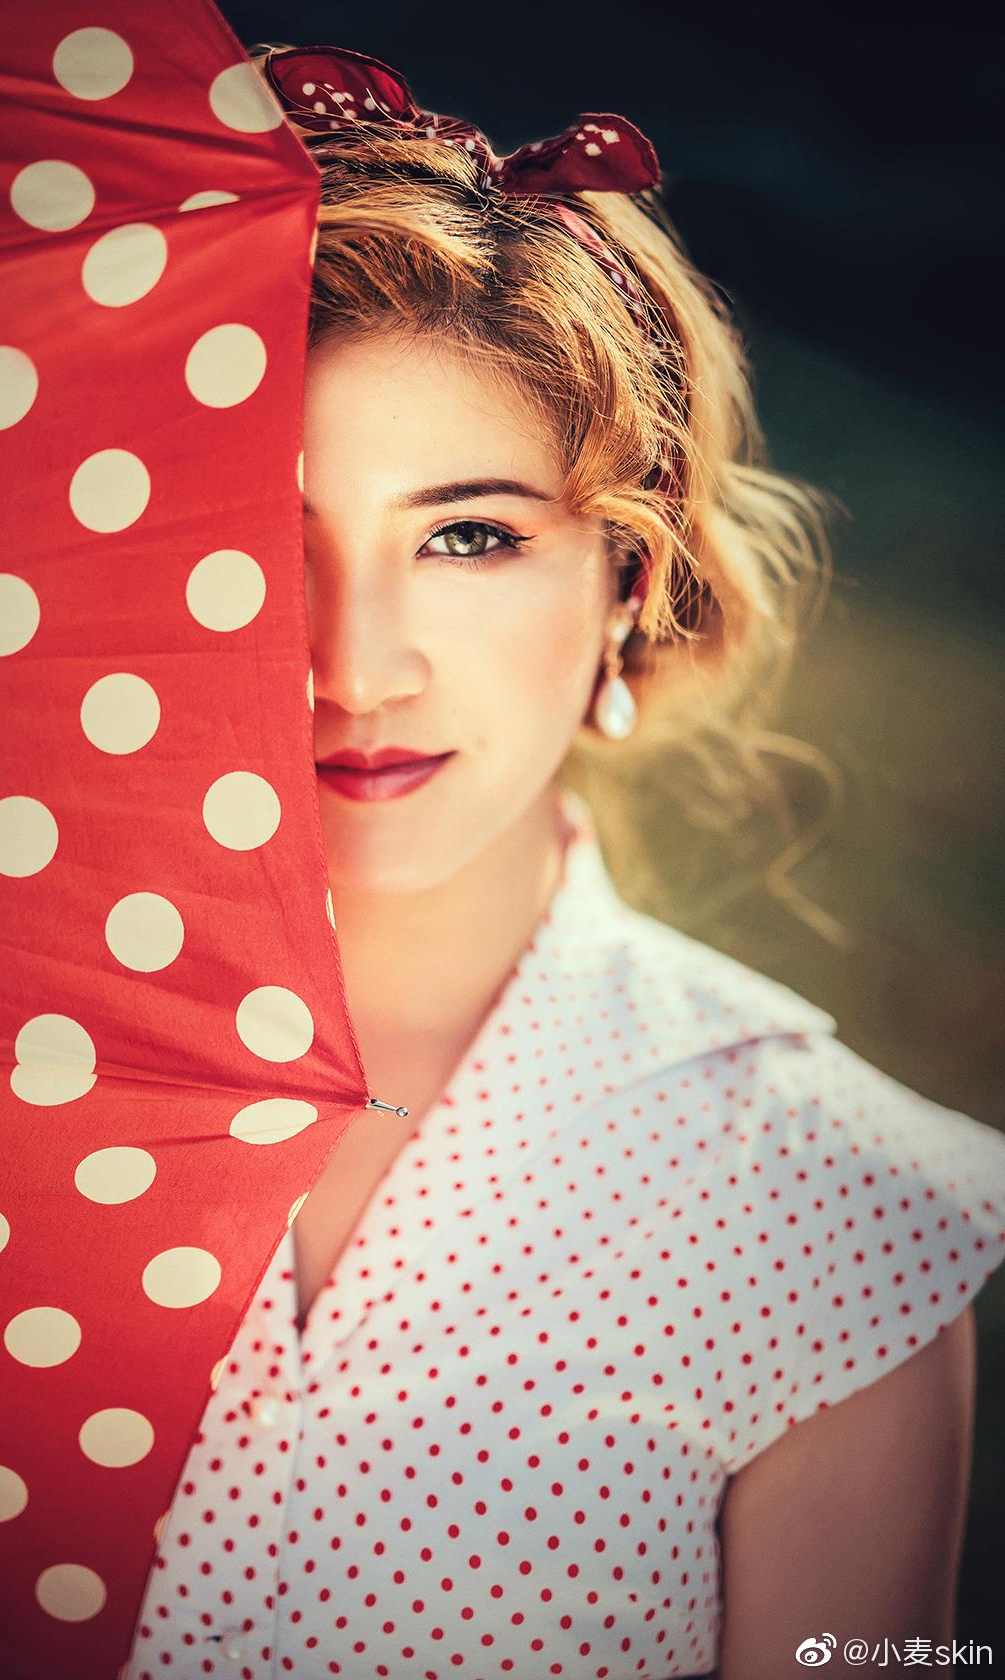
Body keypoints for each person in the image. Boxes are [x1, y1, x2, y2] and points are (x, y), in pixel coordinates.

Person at [126, 43, 1005, 1680]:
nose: (357, 665)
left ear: (627, 579)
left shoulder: (834, 1215)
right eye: (261, 537)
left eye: (470, 535)